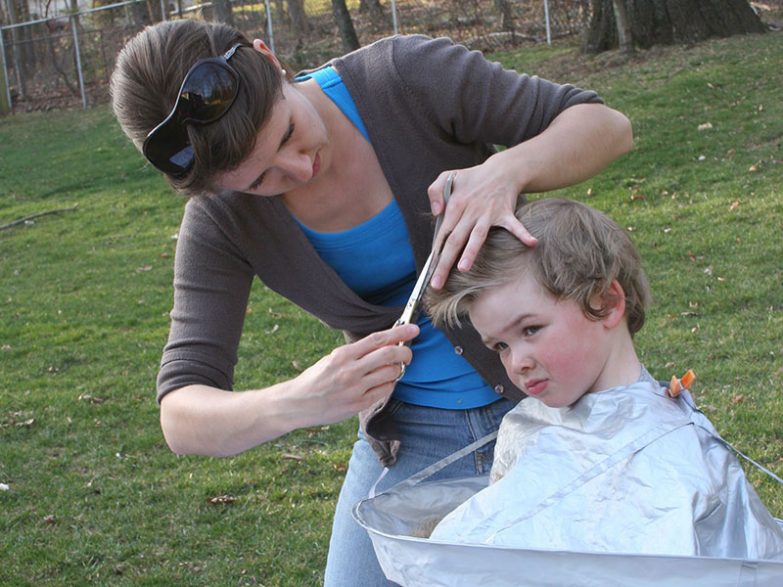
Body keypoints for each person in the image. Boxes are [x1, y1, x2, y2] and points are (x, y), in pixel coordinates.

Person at [109, 18, 634, 585]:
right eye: (259, 179)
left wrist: (505, 171)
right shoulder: (222, 220)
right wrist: (299, 401)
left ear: (270, 57)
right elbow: (181, 415)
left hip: (557, 399)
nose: (298, 170)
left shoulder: (404, 79)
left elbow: (606, 125)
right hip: (414, 438)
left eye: (287, 133)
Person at [426, 198, 783, 559]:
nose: (516, 362)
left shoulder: (680, 454)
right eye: (500, 344)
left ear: (607, 303)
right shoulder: (526, 425)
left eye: (531, 329)